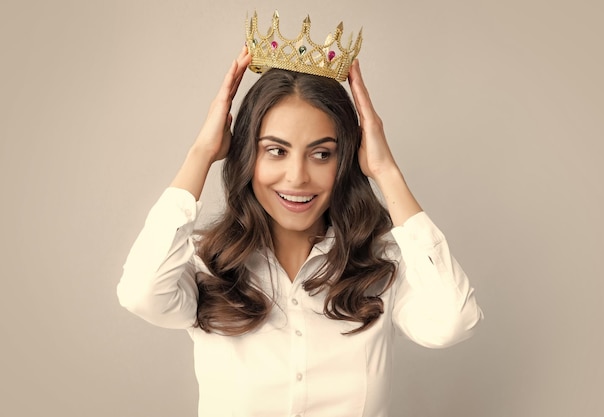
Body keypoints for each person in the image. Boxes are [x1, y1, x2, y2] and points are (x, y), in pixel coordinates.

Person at [118, 42, 483, 416]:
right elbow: (140, 294)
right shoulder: (206, 265)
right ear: (247, 154)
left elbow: (454, 321)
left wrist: (386, 171)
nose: (297, 177)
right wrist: (201, 152)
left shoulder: (381, 268)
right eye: (276, 150)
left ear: (345, 160)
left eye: (322, 153)